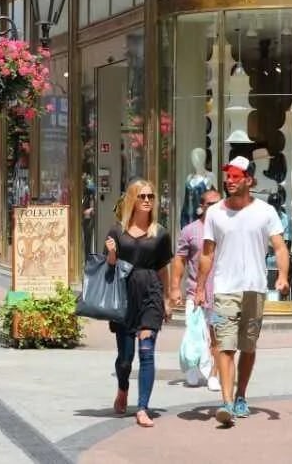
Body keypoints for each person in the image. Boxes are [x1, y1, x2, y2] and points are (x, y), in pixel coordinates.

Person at [195, 156, 290, 426]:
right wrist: (200, 287)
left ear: (249, 179)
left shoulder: (265, 212)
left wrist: (282, 277)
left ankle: (241, 396)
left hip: (255, 289)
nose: (230, 181)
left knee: (248, 347)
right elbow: (206, 254)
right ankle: (225, 402)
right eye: (228, 176)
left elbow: (280, 248)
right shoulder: (215, 213)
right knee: (224, 346)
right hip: (224, 290)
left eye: (236, 177)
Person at [105, 179, 174, 427]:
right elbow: (109, 266)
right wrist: (112, 253)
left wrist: (167, 298)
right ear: (133, 199)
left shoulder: (161, 233)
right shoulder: (117, 232)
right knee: (125, 358)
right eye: (142, 196)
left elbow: (163, 268)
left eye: (151, 197)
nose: (147, 201)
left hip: (151, 294)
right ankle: (123, 388)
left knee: (146, 353)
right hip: (123, 296)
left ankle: (143, 407)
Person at [171, 189, 222, 391]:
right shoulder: (190, 231)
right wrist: (175, 287)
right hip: (195, 294)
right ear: (202, 207)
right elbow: (179, 260)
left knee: (218, 335)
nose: (216, 207)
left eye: (219, 203)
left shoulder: (226, 230)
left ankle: (214, 375)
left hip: (221, 295)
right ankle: (192, 368)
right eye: (211, 204)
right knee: (194, 334)